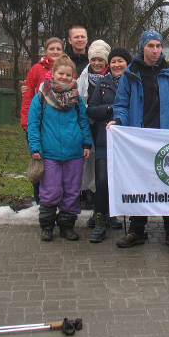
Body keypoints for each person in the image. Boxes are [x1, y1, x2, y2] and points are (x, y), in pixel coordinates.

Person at [108, 30, 169, 250]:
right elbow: (121, 103)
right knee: (139, 183)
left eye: (158, 46)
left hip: (166, 136)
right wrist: (118, 121)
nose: (155, 50)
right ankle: (136, 230)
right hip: (140, 139)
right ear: (142, 47)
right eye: (150, 46)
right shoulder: (130, 72)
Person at [27, 55, 92, 241]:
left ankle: (67, 226)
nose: (64, 77)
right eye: (60, 73)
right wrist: (35, 148)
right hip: (49, 153)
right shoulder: (41, 98)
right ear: (53, 74)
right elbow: (33, 125)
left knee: (72, 191)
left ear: (73, 76)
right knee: (50, 191)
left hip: (74, 153)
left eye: (68, 74)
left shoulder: (76, 99)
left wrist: (86, 143)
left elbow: (83, 122)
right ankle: (47, 226)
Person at [86, 48, 132, 243]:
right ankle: (100, 220)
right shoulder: (102, 83)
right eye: (113, 61)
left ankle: (114, 213)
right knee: (102, 180)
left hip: (127, 142)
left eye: (120, 61)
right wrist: (110, 109)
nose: (116, 65)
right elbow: (92, 110)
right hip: (104, 139)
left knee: (120, 181)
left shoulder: (133, 83)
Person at [20, 37, 64, 205]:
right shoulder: (36, 70)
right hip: (38, 124)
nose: (55, 52)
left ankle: (58, 200)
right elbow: (28, 97)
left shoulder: (67, 69)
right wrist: (26, 122)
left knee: (57, 166)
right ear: (46, 50)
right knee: (40, 164)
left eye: (58, 49)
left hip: (57, 126)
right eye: (51, 48)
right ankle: (40, 201)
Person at [76, 39, 111, 228]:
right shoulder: (82, 79)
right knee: (90, 169)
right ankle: (94, 206)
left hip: (105, 129)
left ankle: (105, 211)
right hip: (87, 127)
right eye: (94, 60)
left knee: (104, 173)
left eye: (101, 60)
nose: (97, 64)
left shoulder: (112, 78)